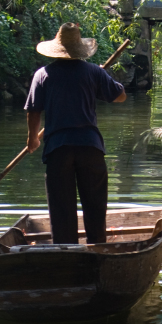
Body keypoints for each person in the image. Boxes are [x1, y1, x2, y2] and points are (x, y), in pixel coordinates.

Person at [24, 22, 126, 244]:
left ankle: (65, 252)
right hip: (90, 147)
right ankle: (97, 249)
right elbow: (119, 96)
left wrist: (32, 139)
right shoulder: (93, 72)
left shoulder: (43, 75)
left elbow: (33, 111)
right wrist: (104, 77)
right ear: (80, 49)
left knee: (61, 209)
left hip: (58, 148)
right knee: (95, 205)